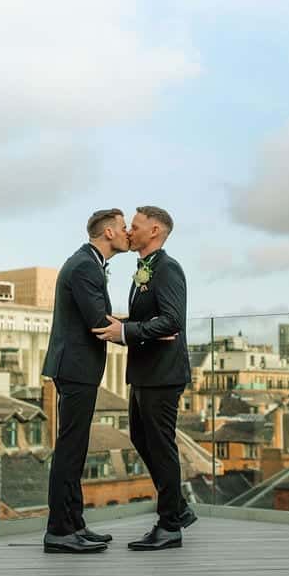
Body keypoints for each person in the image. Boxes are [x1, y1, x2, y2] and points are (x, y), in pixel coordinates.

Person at [93, 205, 195, 551]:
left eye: (135, 227)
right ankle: (178, 507)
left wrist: (126, 331)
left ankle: (170, 526)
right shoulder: (144, 269)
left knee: (161, 446)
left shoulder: (167, 269)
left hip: (163, 375)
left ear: (154, 231)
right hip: (145, 373)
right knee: (141, 438)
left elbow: (172, 321)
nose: (129, 232)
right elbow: (152, 322)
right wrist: (120, 324)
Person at [41, 208, 130, 554]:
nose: (127, 233)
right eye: (123, 228)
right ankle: (59, 531)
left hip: (77, 368)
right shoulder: (84, 266)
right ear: (108, 232)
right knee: (70, 450)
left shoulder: (87, 262)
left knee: (74, 448)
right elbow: (98, 321)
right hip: (75, 368)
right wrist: (143, 329)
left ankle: (74, 524)